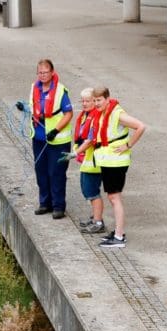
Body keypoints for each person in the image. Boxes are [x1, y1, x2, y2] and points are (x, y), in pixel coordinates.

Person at [91, 87, 146, 248]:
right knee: (112, 197)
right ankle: (118, 232)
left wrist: (128, 145)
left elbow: (140, 126)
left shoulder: (117, 114)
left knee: (115, 198)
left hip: (116, 162)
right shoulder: (103, 112)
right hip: (109, 162)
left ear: (107, 99)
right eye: (95, 100)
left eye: (99, 100)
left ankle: (119, 237)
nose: (96, 103)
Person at [28, 59, 73, 220]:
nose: (42, 75)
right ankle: (44, 203)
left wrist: (56, 130)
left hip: (58, 141)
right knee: (41, 171)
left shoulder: (61, 91)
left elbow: (68, 113)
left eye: (45, 72)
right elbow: (33, 107)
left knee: (57, 173)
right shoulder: (35, 88)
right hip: (39, 138)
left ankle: (58, 206)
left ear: (52, 73)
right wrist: (25, 108)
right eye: (40, 72)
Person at [72, 88, 105, 234]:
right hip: (87, 162)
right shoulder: (85, 116)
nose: (84, 104)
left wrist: (75, 153)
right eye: (82, 101)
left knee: (92, 192)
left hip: (93, 163)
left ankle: (98, 222)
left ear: (94, 101)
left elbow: (90, 140)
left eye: (88, 101)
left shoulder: (96, 118)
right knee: (87, 191)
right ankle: (94, 218)